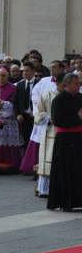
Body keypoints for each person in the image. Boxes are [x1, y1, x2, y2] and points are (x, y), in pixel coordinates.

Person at [47, 73, 82, 211]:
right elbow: (58, 120)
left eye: (79, 83)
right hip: (65, 140)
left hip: (79, 139)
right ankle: (65, 202)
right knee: (65, 171)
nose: (78, 86)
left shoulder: (80, 98)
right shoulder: (58, 100)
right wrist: (78, 117)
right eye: (76, 83)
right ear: (66, 84)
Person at [35, 76, 62, 197]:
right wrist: (48, 118)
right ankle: (44, 189)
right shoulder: (47, 94)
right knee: (47, 159)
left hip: (66, 132)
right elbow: (39, 112)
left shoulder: (73, 95)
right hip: (50, 130)